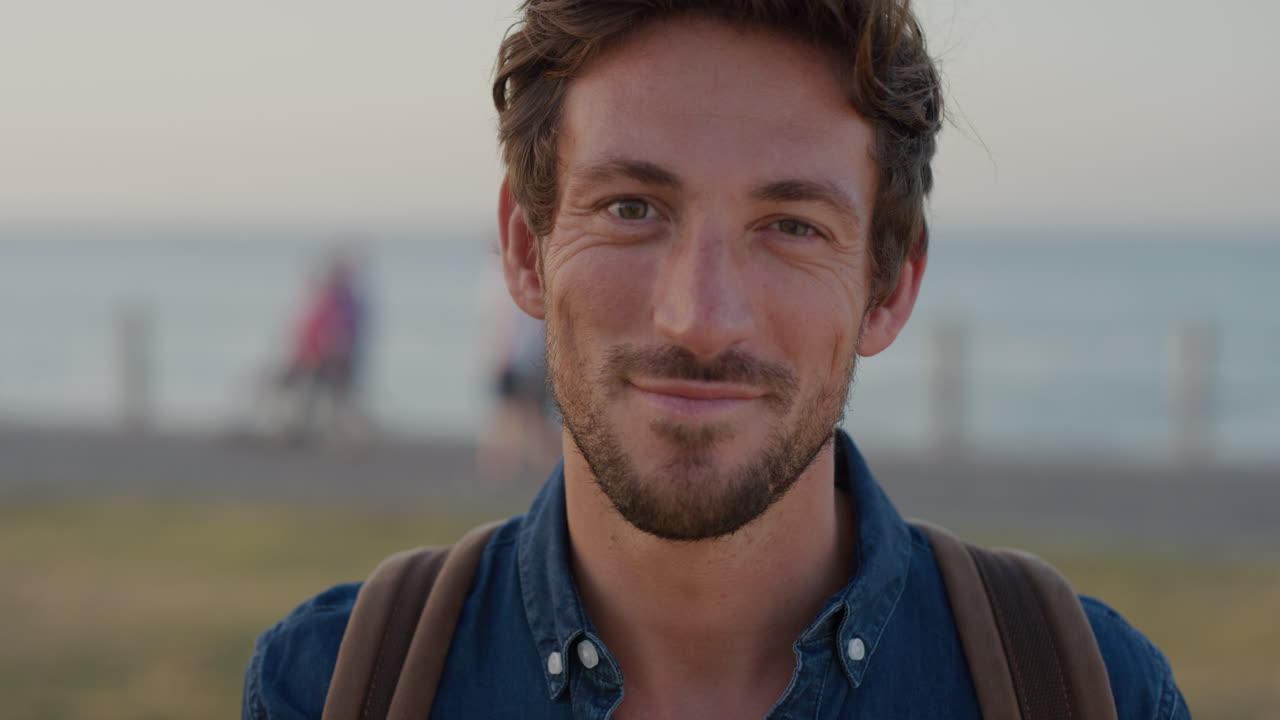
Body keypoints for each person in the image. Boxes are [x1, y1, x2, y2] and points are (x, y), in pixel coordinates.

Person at [243, 1, 1189, 718]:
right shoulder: (334, 686)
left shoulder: (1083, 689)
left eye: (788, 226)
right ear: (527, 251)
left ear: (891, 285)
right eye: (630, 209)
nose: (698, 319)